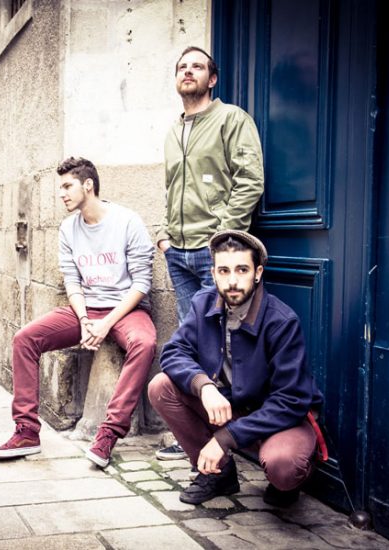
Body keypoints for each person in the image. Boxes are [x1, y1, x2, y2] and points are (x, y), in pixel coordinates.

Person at [0, 157, 157, 469]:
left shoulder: (127, 221)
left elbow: (141, 284)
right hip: (85, 308)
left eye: (67, 186)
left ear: (88, 185)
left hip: (126, 309)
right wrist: (84, 320)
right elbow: (72, 280)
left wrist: (105, 324)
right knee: (25, 339)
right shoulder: (69, 228)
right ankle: (27, 432)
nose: (61, 193)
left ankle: (109, 433)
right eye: (61, 187)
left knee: (145, 343)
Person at [148, 230, 324, 507]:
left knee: (284, 467)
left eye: (242, 270)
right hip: (232, 407)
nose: (232, 281)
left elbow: (291, 400)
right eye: (224, 271)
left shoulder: (281, 320)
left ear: (257, 272)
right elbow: (174, 351)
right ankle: (219, 475)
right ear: (214, 273)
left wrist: (225, 438)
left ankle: (291, 479)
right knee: (161, 386)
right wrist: (204, 387)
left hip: (278, 418)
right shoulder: (203, 303)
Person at [155, 46, 265, 461]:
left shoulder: (231, 119)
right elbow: (171, 189)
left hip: (212, 255)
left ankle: (229, 435)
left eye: (197, 67)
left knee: (222, 345)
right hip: (178, 253)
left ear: (212, 78)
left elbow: (250, 180)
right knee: (192, 344)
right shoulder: (173, 131)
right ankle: (196, 430)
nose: (188, 72)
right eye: (182, 67)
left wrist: (220, 239)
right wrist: (165, 235)